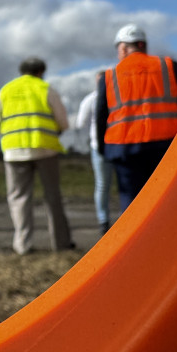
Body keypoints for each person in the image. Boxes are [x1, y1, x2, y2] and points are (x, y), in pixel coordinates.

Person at [95, 24, 177, 212]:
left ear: (123, 48)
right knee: (168, 197)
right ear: (143, 45)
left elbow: (100, 116)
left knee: (131, 201)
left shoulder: (109, 76)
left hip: (123, 147)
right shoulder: (168, 66)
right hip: (167, 144)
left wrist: (103, 148)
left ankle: (138, 240)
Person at [0, 57, 73, 255]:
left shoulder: (5, 91)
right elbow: (63, 122)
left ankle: (22, 245)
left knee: (19, 198)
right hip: (44, 148)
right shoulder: (45, 89)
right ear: (40, 71)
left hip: (13, 151)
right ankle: (60, 243)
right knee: (52, 196)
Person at [76, 71, 113, 236]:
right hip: (100, 147)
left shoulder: (112, 97)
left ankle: (109, 220)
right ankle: (103, 221)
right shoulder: (90, 100)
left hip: (114, 145)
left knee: (106, 185)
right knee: (103, 185)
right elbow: (81, 122)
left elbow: (80, 123)